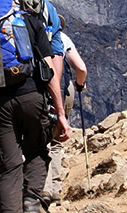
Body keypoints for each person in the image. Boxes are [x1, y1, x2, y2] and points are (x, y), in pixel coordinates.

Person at [0, 0, 71, 213]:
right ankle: (31, 201)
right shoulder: (30, 21)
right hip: (32, 96)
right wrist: (60, 113)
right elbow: (49, 72)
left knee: (9, 168)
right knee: (37, 151)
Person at [42, 17, 87, 206]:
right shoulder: (62, 38)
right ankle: (56, 191)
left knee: (40, 140)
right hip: (64, 90)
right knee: (56, 141)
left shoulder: (32, 33)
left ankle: (43, 189)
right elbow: (81, 68)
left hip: (42, 90)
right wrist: (80, 85)